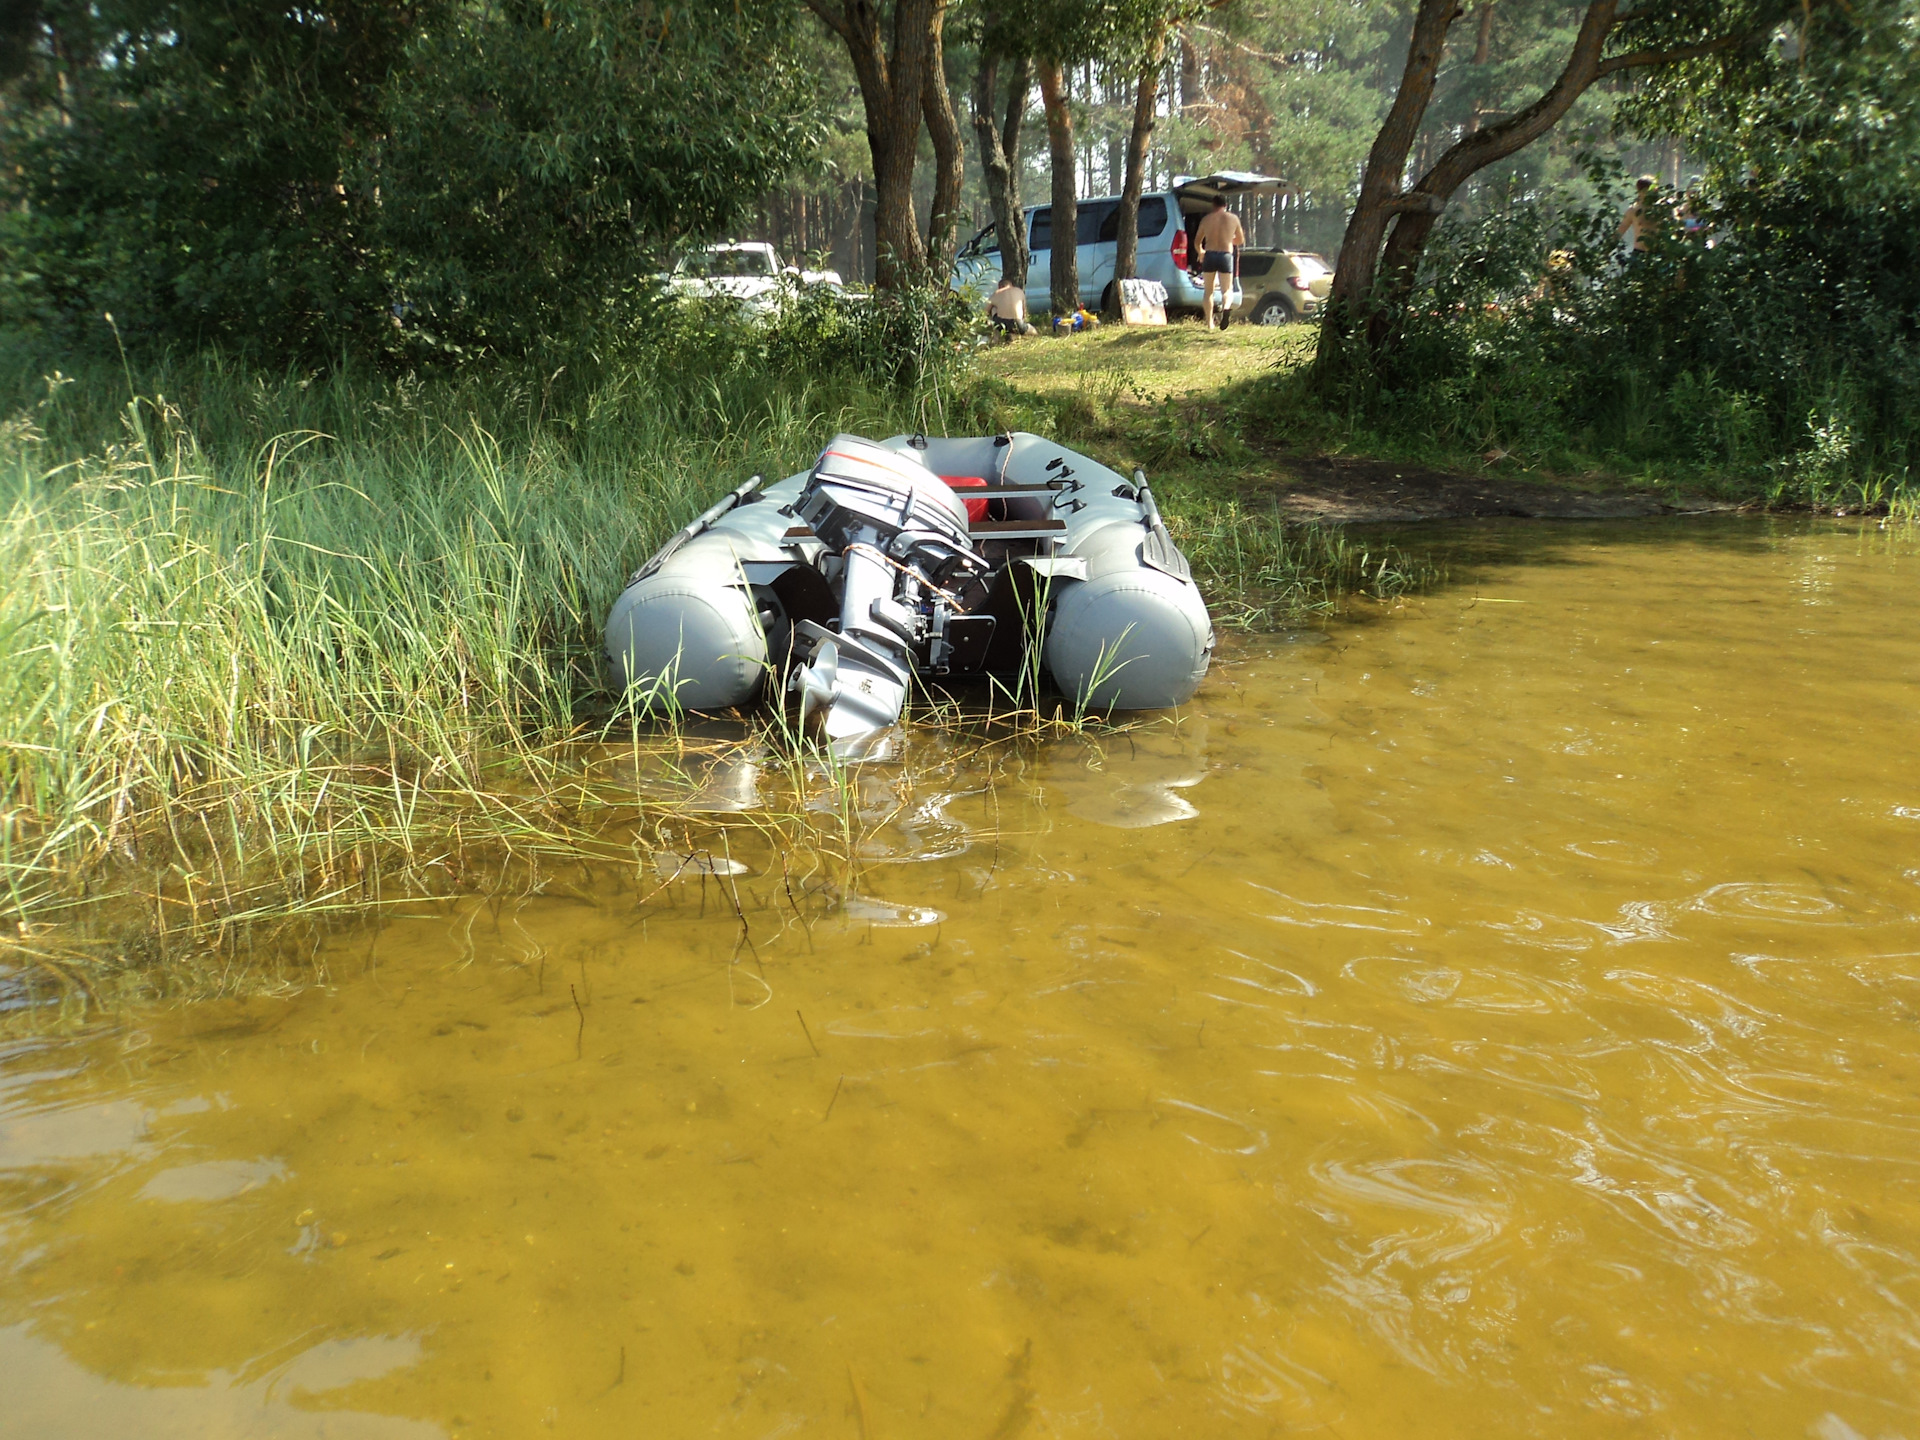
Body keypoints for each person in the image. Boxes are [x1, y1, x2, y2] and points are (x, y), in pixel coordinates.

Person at [1194, 196, 1244, 331]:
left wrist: (1201, 252)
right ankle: (1226, 308)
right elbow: (1240, 240)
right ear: (1225, 205)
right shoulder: (1233, 218)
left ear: (1213, 205)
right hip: (1225, 255)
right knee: (1227, 290)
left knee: (1208, 291)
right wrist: (1229, 239)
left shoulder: (1206, 219)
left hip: (1210, 254)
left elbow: (1197, 241)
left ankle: (1210, 323)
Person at [1617, 175, 1657, 261]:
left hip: (1659, 254)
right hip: (1639, 254)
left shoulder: (1663, 208)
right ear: (1640, 191)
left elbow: (1677, 226)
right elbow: (1620, 232)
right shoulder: (1633, 210)